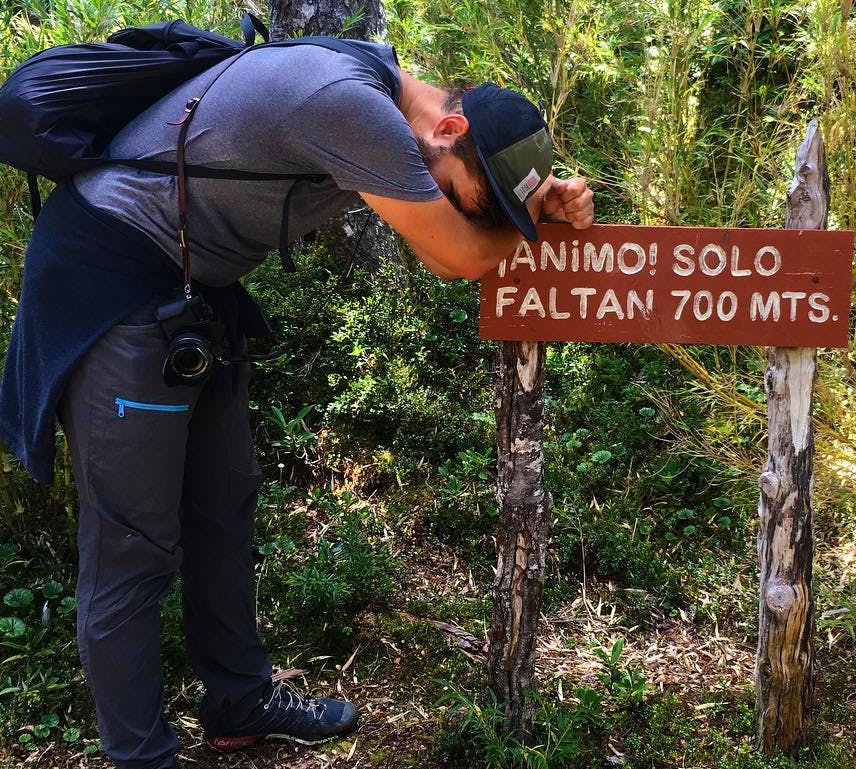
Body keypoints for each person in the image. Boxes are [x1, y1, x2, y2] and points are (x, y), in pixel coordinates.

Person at [0, 35, 593, 769]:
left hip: (193, 290)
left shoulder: (379, 82)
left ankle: (238, 703)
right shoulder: (349, 104)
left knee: (222, 507)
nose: (461, 212)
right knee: (132, 541)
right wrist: (524, 229)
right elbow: (458, 257)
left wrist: (542, 201)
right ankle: (140, 755)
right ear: (450, 128)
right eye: (465, 199)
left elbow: (475, 227)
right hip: (113, 278)